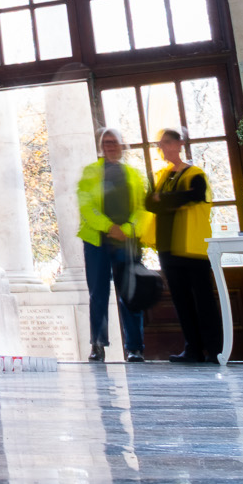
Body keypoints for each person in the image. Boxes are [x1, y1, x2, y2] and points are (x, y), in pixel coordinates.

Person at [77, 126, 153, 363]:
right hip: (97, 241)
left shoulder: (133, 174)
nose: (110, 146)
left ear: (122, 146)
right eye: (106, 142)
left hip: (126, 243)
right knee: (98, 294)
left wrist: (128, 229)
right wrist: (109, 227)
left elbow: (142, 208)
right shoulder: (90, 172)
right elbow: (86, 205)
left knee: (130, 294)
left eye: (114, 142)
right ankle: (97, 345)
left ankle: (135, 348)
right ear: (101, 146)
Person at [148, 128, 222, 363]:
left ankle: (215, 350)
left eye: (168, 143)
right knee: (181, 299)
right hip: (168, 246)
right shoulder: (161, 176)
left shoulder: (195, 173)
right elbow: (149, 202)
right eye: (161, 144)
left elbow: (196, 194)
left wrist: (165, 200)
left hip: (192, 246)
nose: (164, 148)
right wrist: (170, 199)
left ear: (180, 144)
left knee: (203, 300)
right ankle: (193, 349)